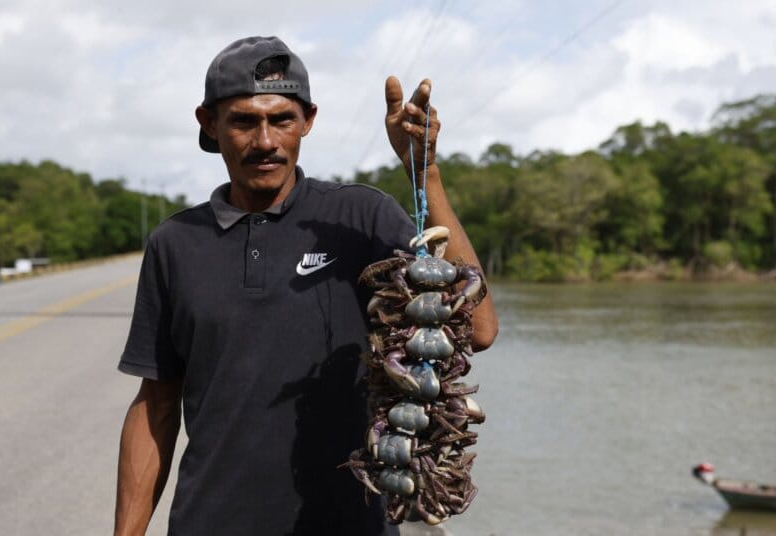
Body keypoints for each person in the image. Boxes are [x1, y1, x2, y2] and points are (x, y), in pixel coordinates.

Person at [114, 36, 498, 536]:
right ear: (209, 124)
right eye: (244, 121)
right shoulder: (175, 244)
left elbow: (479, 328)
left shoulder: (359, 216)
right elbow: (156, 406)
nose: (266, 141)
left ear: (308, 121)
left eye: (282, 120)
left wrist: (423, 173)